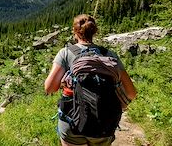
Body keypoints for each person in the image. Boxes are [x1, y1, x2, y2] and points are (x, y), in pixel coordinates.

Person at [44, 14, 137, 146]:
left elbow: (49, 88)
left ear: (75, 32)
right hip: (104, 124)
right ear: (94, 32)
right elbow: (131, 93)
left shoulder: (65, 53)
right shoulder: (109, 55)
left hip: (71, 121)